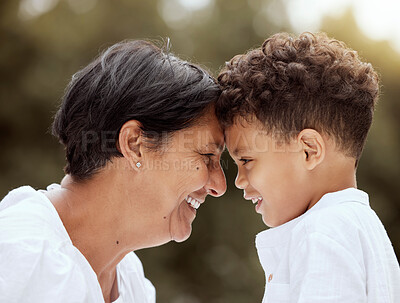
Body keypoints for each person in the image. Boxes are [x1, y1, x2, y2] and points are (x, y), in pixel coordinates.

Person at [0, 40, 226, 303]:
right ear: (134, 144)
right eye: (207, 155)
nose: (219, 185)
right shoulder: (18, 260)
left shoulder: (131, 281)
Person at [216, 32, 400, 302]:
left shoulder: (326, 231)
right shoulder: (362, 230)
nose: (239, 181)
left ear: (308, 150)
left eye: (246, 161)